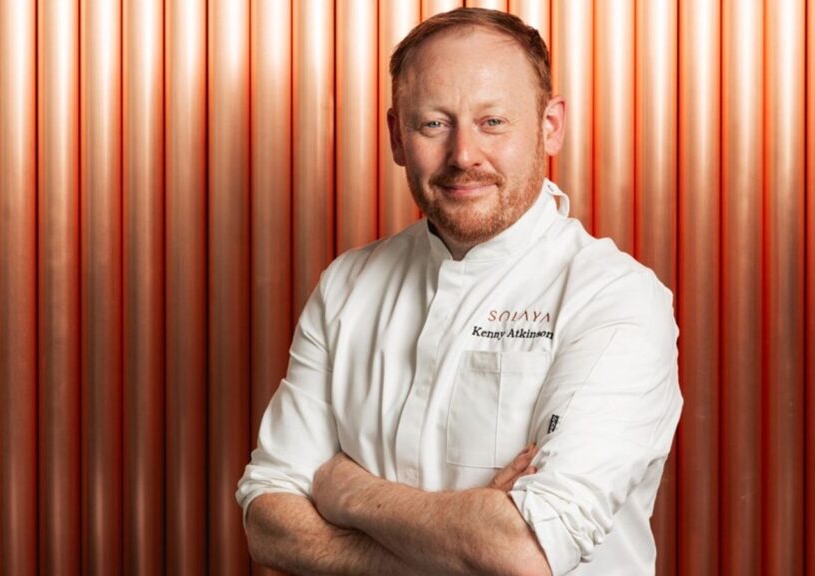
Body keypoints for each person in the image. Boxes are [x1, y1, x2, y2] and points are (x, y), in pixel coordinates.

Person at [236, 7, 681, 575]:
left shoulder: (615, 299)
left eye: (492, 121)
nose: (463, 154)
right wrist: (466, 545)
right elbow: (268, 522)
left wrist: (346, 489)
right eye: (433, 124)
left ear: (549, 126)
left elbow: (525, 551)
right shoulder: (347, 284)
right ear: (397, 136)